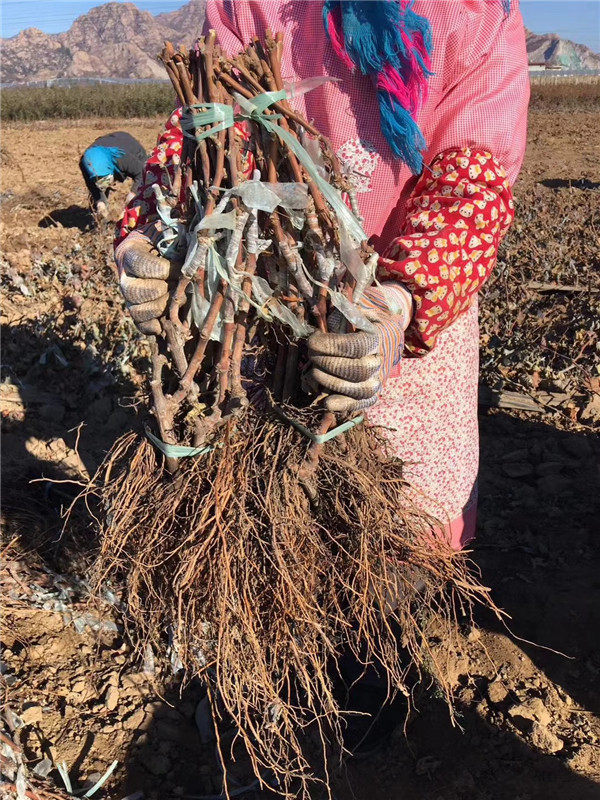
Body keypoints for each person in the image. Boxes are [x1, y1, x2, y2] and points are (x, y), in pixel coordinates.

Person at [115, 0, 529, 551]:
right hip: (271, 301)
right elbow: (211, 126)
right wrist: (159, 228)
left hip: (414, 305)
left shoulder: (478, 10)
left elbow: (474, 175)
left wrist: (399, 302)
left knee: (399, 531)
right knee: (266, 511)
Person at [79, 131, 147, 219]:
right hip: (106, 158)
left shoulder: (122, 157)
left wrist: (133, 193)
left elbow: (142, 173)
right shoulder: (85, 164)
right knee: (99, 199)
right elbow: (93, 187)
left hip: (129, 147)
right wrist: (100, 203)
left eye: (105, 178)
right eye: (98, 179)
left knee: (144, 188)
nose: (103, 183)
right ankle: (100, 222)